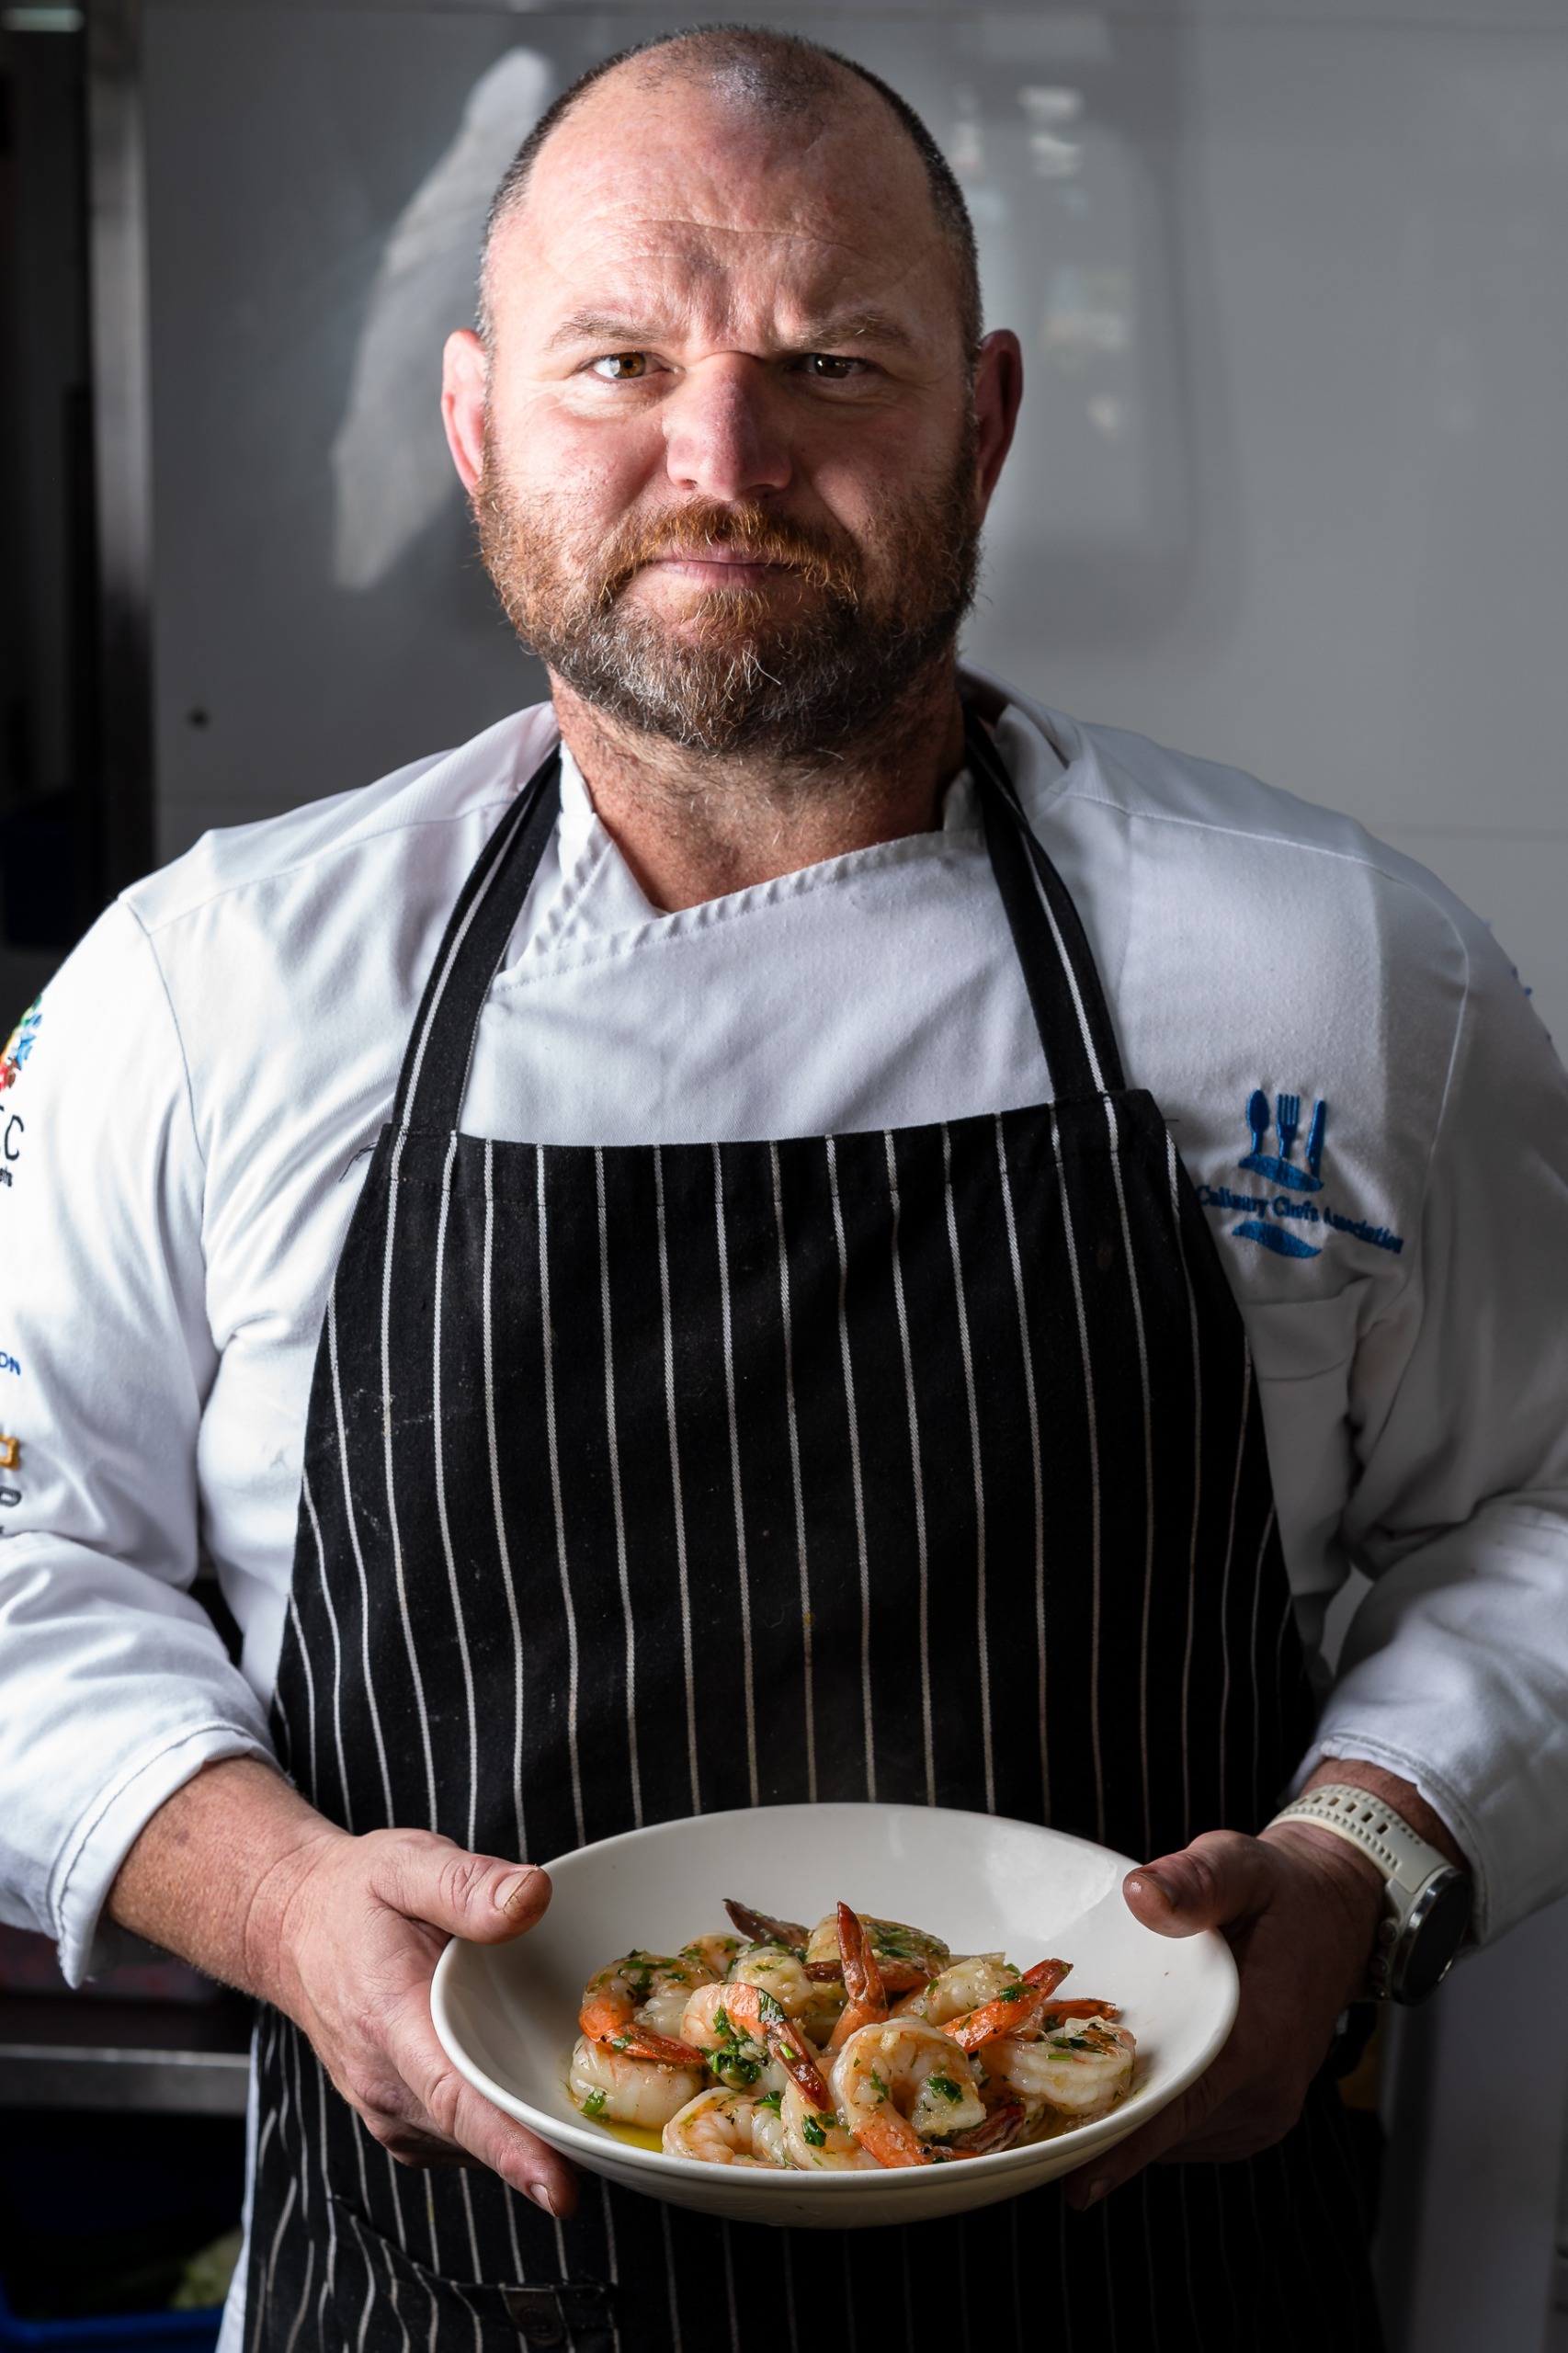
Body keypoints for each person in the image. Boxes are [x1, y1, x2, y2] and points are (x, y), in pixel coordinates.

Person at [2, 24, 1566, 2350]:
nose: (719, 458)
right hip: (426, 2290)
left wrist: (1363, 1856)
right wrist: (274, 1898)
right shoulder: (214, 987)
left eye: (832, 361)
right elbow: (27, 1554)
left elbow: (1534, 1507)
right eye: (618, 361)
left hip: (1151, 2284)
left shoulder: (1331, 971)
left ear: (985, 421)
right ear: (474, 422)